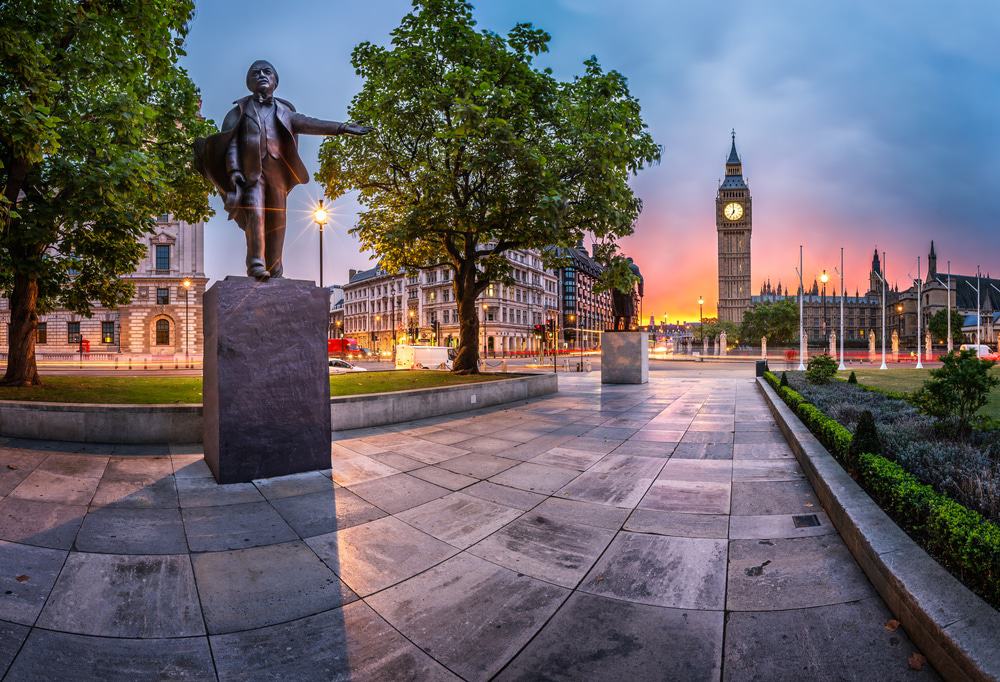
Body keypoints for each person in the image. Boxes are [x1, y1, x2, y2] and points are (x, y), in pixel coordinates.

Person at [195, 60, 371, 280]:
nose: (261, 75)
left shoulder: (284, 111)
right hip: (251, 174)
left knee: (278, 221)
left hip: (277, 173)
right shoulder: (240, 111)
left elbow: (309, 123)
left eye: (267, 72)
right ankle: (256, 265)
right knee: (256, 217)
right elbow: (231, 145)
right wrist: (234, 173)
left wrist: (342, 128)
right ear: (249, 82)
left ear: (275, 81)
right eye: (255, 72)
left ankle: (276, 269)